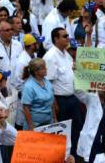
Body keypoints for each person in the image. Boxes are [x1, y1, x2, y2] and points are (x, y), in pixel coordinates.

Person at [43, 27, 83, 157]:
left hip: (72, 97)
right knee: (62, 131)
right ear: (56, 39)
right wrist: (53, 103)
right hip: (59, 100)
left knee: (76, 128)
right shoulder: (50, 56)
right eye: (64, 36)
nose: (68, 38)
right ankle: (61, 157)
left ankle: (73, 156)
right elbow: (47, 82)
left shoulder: (66, 54)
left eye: (67, 36)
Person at [12, 34, 38, 129]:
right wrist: (29, 92)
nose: (38, 45)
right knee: (22, 124)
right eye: (36, 43)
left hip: (34, 96)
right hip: (25, 96)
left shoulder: (33, 55)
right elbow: (18, 83)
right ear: (31, 45)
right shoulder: (22, 61)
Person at [21, 58, 55, 130]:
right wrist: (31, 127)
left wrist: (54, 119)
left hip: (48, 122)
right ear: (36, 72)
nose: (46, 69)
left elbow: (51, 103)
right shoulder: (29, 86)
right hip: (35, 125)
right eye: (43, 68)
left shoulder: (47, 82)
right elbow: (26, 108)